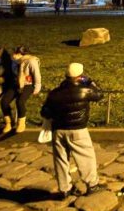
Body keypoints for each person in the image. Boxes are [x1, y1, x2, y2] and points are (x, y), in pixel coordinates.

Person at [41, 63, 106, 198]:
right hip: (78, 130)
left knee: (61, 159)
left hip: (59, 130)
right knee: (86, 157)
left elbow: (45, 111)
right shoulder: (85, 90)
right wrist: (91, 82)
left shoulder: (54, 93)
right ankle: (92, 185)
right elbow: (99, 94)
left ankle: (64, 189)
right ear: (80, 76)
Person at [1, 46, 42, 133]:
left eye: (14, 54)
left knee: (20, 101)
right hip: (16, 84)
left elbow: (36, 74)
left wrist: (37, 87)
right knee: (4, 101)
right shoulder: (15, 62)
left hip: (28, 84)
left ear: (20, 54)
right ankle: (9, 122)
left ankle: (21, 123)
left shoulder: (31, 61)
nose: (12, 56)